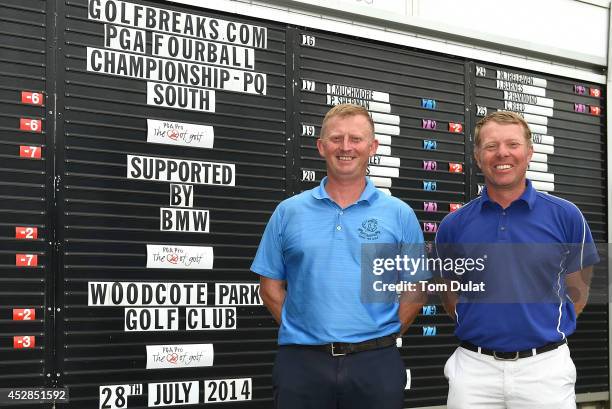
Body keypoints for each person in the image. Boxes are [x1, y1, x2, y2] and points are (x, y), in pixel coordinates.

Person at [250, 103, 429, 409]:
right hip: (301, 364)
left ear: (373, 147)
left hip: (376, 365)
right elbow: (270, 288)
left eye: (356, 139)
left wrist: (378, 338)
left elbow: (417, 290)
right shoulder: (288, 212)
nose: (346, 147)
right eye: (336, 138)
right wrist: (304, 332)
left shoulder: (399, 214)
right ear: (321, 147)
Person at [435, 111, 599, 409]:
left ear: (529, 152)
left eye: (512, 144)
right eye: (491, 146)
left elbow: (579, 291)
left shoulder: (566, 216)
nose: (502, 154)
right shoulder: (453, 225)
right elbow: (450, 296)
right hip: (473, 371)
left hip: (545, 370)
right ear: (477, 155)